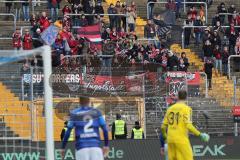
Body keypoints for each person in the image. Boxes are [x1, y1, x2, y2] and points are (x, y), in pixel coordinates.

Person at [161, 90, 210, 160]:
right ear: (186, 97)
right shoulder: (187, 109)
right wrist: (200, 135)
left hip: (170, 139)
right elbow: (188, 125)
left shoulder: (169, 109)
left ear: (177, 97)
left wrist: (166, 137)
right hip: (181, 139)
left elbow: (163, 127)